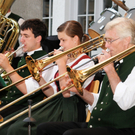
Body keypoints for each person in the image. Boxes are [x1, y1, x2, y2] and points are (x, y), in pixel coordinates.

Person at [36, 17, 135, 135]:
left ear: (126, 40)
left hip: (122, 128)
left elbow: (125, 102)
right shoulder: (116, 62)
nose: (106, 46)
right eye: (106, 40)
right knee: (44, 128)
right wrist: (79, 91)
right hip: (100, 124)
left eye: (110, 40)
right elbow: (101, 101)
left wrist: (110, 70)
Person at [0, 20, 95, 135]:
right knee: (6, 125)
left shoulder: (86, 62)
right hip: (54, 104)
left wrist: (61, 64)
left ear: (75, 39)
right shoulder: (64, 59)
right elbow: (51, 93)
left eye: (63, 40)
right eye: (60, 40)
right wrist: (39, 79)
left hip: (69, 109)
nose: (60, 44)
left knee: (16, 129)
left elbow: (66, 93)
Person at [0, 19, 48, 117]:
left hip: (23, 107)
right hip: (10, 102)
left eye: (26, 36)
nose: (21, 40)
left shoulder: (43, 59)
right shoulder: (26, 55)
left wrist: (8, 67)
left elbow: (28, 91)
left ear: (38, 39)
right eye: (21, 35)